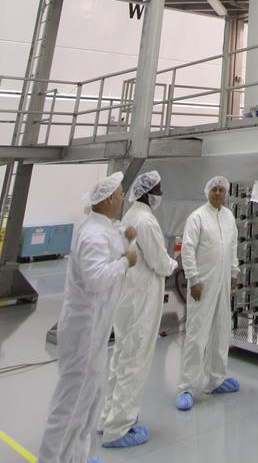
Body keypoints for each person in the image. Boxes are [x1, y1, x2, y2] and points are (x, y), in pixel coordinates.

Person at [29, 172, 137, 463]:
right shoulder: (91, 233)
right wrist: (125, 262)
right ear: (107, 200)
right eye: (120, 194)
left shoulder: (103, 227)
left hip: (95, 332)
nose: (123, 198)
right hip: (83, 332)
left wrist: (126, 237)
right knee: (69, 408)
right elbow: (96, 278)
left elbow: (110, 241)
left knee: (89, 402)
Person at [99, 170, 177, 448]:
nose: (161, 194)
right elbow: (158, 260)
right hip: (142, 296)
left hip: (126, 296)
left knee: (121, 356)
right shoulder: (146, 221)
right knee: (135, 359)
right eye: (158, 189)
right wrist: (174, 266)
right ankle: (120, 427)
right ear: (148, 192)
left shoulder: (130, 216)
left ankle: (108, 416)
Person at [175, 175, 240, 410]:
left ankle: (216, 378)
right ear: (207, 192)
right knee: (197, 333)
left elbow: (233, 246)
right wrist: (193, 279)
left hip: (223, 283)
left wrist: (234, 273)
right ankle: (187, 386)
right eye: (214, 189)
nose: (218, 193)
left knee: (222, 330)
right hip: (203, 283)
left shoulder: (228, 216)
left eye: (222, 190)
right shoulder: (198, 217)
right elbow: (188, 249)